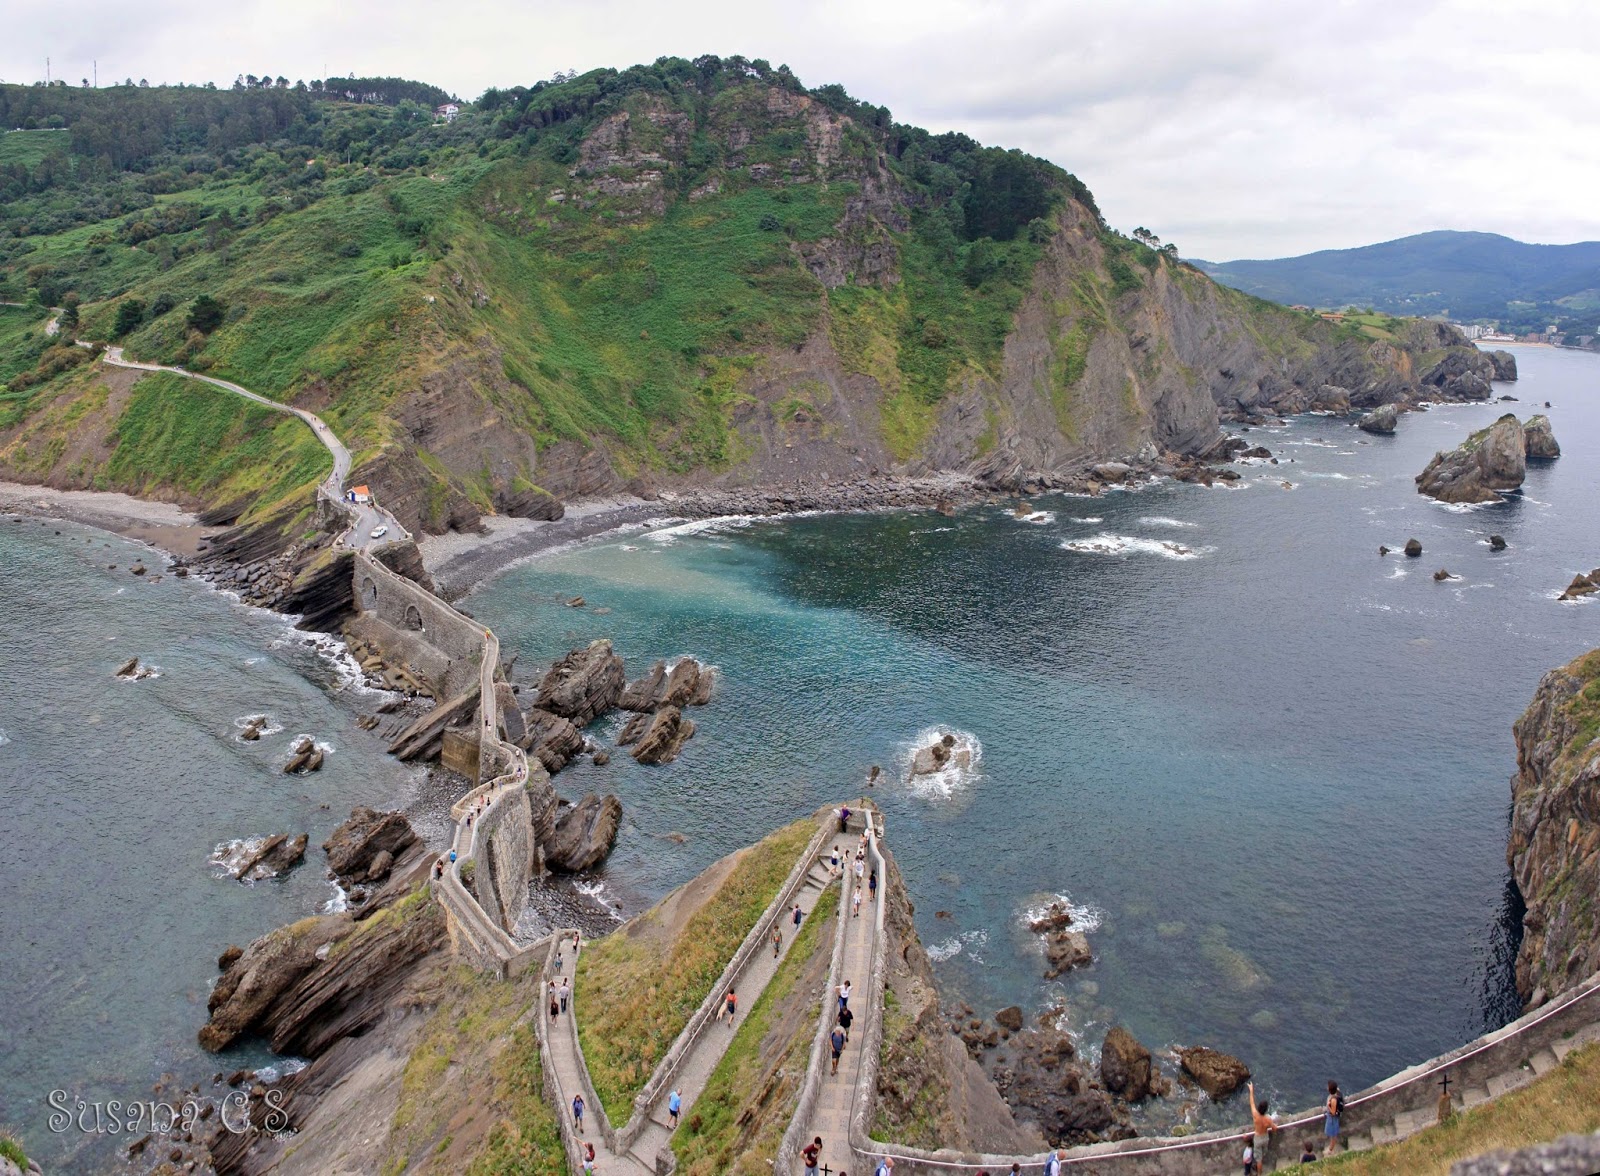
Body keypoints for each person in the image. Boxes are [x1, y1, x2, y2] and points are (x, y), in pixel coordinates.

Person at [1247, 1080, 1277, 1171]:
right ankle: (1260, 1165)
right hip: (1265, 1137)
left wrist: (1251, 1090)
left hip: (1257, 1137)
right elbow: (1274, 1128)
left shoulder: (1255, 1116)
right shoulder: (1268, 1119)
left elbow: (1252, 1103)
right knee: (1263, 1153)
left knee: (1258, 1159)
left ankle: (1259, 1173)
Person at [1324, 1079, 1344, 1156]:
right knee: (1332, 1133)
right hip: (1333, 1118)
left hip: (1332, 1119)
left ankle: (1330, 1150)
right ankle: (1331, 1147)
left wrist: (1329, 1105)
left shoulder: (1333, 1100)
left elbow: (1332, 1112)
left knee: (1333, 1134)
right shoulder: (1338, 1093)